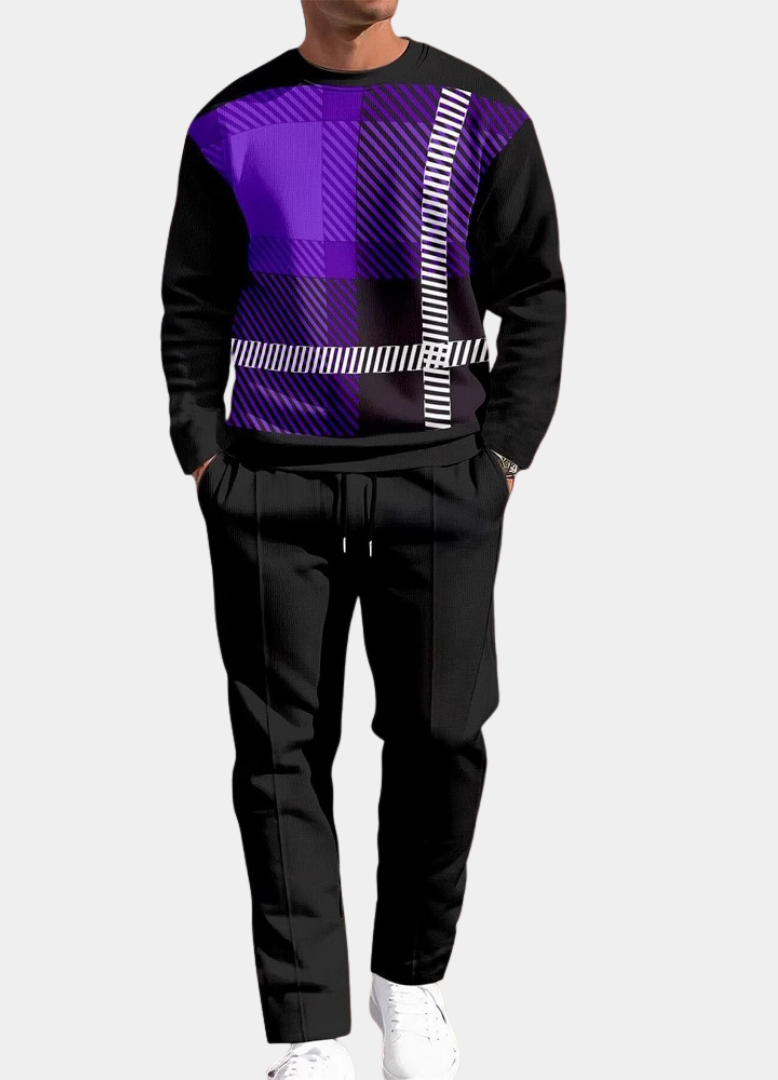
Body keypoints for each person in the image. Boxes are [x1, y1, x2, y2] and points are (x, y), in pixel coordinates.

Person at [160, 1, 566, 1076]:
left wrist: (505, 454)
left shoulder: (480, 115)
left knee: (442, 737)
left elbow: (534, 292)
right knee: (279, 754)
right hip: (269, 484)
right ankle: (309, 1035)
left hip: (438, 479)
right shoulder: (230, 125)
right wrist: (203, 452)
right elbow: (193, 299)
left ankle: (409, 984)